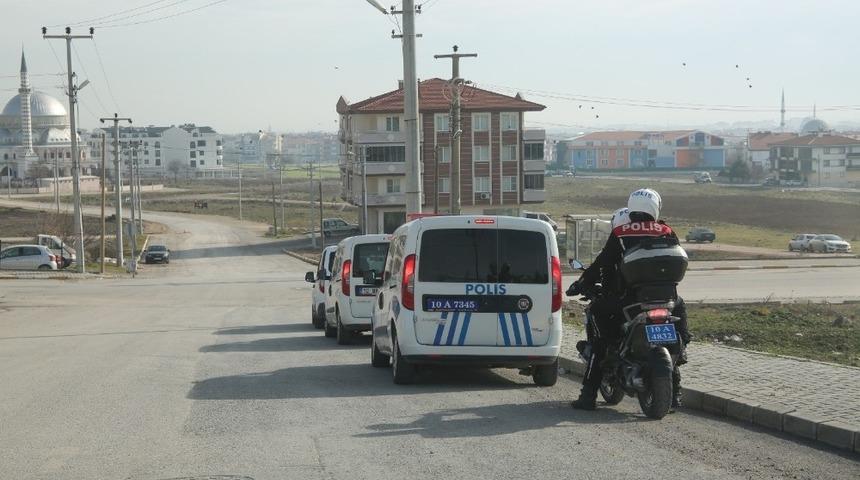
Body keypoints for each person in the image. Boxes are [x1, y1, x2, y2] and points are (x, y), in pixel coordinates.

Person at [568, 188, 690, 410]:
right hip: (667, 298)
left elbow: (602, 263)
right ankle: (677, 381)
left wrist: (583, 282)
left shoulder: (622, 232)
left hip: (628, 301)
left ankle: (588, 395)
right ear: (655, 207)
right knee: (679, 318)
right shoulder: (666, 229)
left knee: (599, 339)